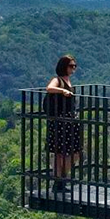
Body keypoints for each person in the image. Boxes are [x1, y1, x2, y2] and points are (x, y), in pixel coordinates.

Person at [45, 55, 81, 191]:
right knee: (59, 152)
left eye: (74, 66)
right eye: (71, 66)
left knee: (74, 152)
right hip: (60, 121)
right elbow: (49, 88)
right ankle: (59, 181)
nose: (73, 68)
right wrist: (63, 90)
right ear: (64, 66)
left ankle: (61, 179)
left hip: (70, 121)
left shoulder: (68, 80)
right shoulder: (58, 80)